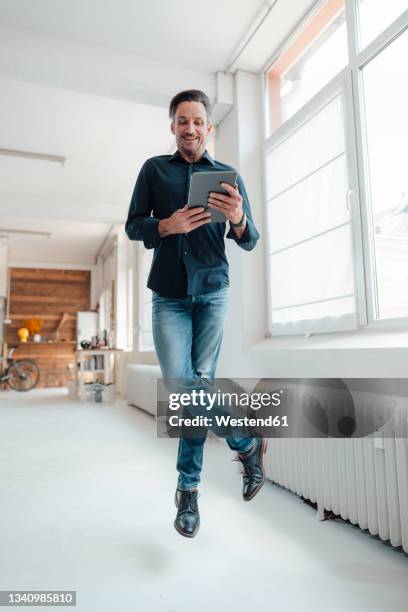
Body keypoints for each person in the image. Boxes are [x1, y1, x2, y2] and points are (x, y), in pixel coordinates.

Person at [125, 89, 266, 538]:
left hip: (212, 292)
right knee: (183, 385)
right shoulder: (154, 169)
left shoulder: (227, 174)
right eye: (182, 121)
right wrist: (165, 225)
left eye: (198, 121)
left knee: (192, 398)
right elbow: (133, 224)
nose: (190, 128)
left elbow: (249, 239)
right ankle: (245, 441)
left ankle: (188, 492)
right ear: (173, 126)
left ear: (209, 127)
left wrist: (240, 217)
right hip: (169, 292)